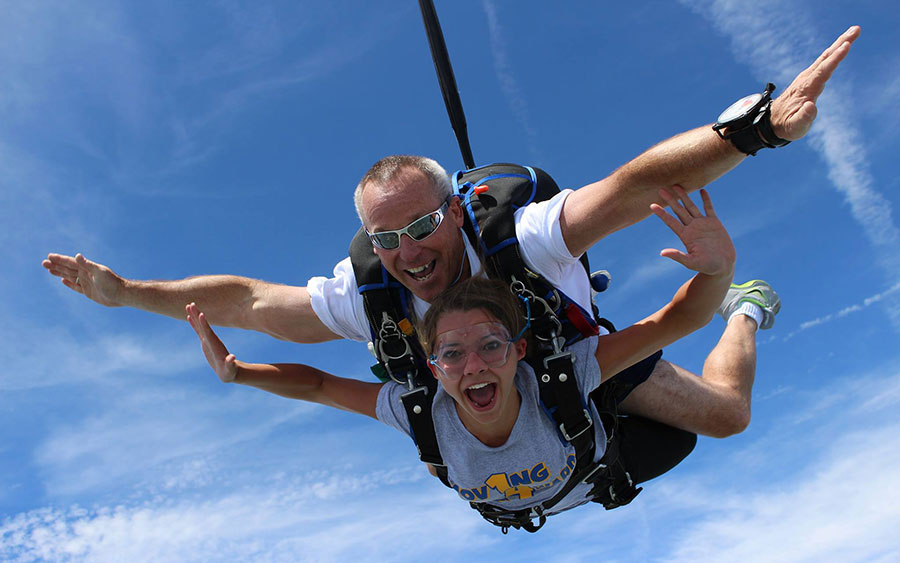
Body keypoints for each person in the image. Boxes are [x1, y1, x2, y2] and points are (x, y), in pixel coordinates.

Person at [42, 26, 856, 437]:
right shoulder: (368, 293)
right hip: (505, 416)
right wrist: (126, 295)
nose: (408, 252)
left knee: (726, 415)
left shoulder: (525, 235)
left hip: (584, 364)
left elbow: (635, 185)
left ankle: (747, 309)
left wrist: (757, 133)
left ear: (459, 211)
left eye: (424, 225)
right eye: (386, 238)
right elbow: (250, 301)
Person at [185, 188, 742, 529]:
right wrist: (238, 373)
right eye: (451, 353)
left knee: (729, 417)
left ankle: (747, 309)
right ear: (432, 368)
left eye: (490, 346)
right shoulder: (419, 410)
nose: (473, 365)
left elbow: (674, 320)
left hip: (595, 425)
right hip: (575, 484)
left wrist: (716, 272)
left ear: (519, 351)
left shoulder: (568, 370)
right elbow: (319, 386)